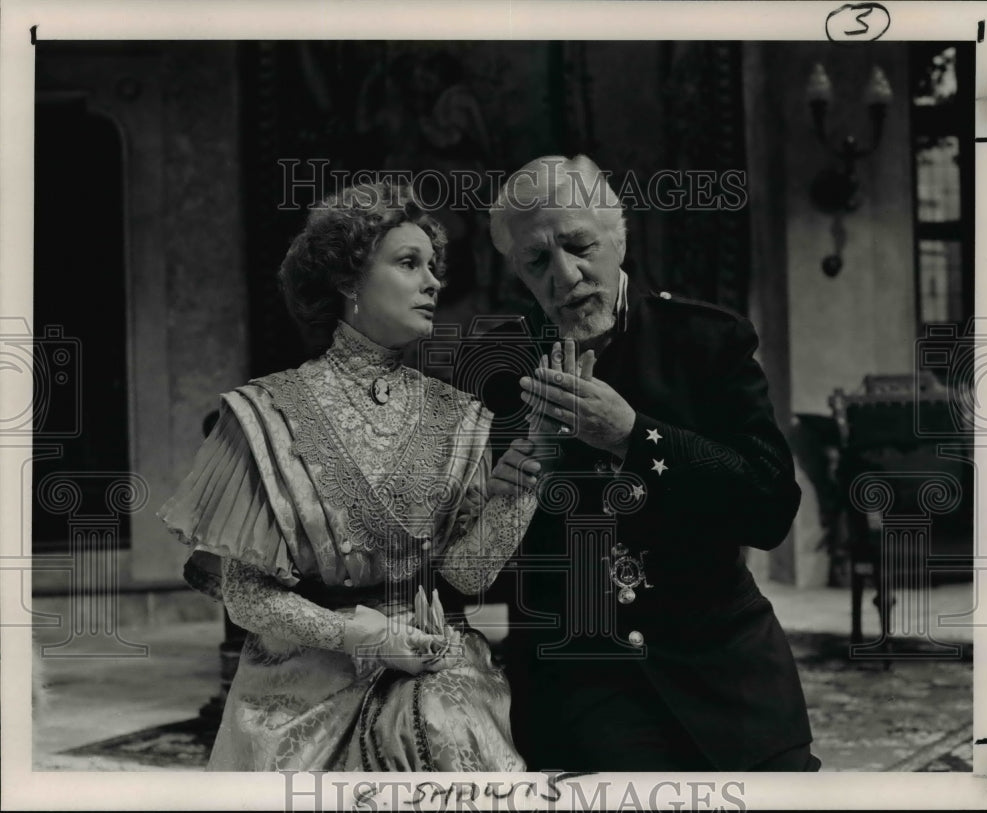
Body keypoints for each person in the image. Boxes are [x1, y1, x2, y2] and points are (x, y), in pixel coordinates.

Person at [158, 181, 536, 771]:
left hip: (435, 668)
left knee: (444, 724)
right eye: (409, 263)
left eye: (432, 266)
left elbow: (466, 577)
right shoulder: (267, 413)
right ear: (348, 280)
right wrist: (364, 638)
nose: (433, 282)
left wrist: (522, 486)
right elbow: (246, 596)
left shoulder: (457, 416)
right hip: (305, 681)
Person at [473, 154, 819, 771]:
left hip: (728, 681)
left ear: (619, 237)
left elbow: (770, 509)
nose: (565, 275)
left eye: (579, 245)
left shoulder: (708, 342)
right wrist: (505, 494)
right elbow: (476, 565)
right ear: (516, 272)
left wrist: (634, 436)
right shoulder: (497, 368)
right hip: (579, 693)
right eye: (536, 261)